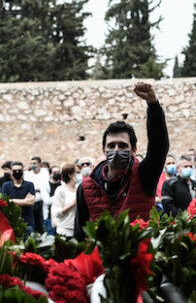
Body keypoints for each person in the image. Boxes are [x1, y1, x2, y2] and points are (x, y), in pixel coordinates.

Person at [73, 82, 170, 240]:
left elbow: (159, 147)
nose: (116, 150)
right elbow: (80, 233)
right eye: (111, 145)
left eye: (123, 145)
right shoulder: (86, 187)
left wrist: (153, 105)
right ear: (103, 150)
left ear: (134, 150)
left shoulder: (145, 176)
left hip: (139, 258)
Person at [1, 162, 36, 235]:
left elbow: (31, 202)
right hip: (11, 223)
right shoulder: (6, 185)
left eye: (19, 170)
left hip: (27, 222)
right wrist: (24, 201)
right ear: (11, 172)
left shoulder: (29, 185)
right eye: (15, 171)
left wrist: (12, 200)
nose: (17, 172)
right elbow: (4, 202)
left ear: (23, 171)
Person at [51, 164, 78, 238]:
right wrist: (72, 204)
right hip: (65, 231)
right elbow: (56, 213)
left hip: (78, 230)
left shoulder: (79, 189)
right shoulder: (60, 190)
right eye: (77, 173)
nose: (78, 175)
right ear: (70, 175)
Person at [24, 156, 50, 234]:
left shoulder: (45, 172)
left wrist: (36, 189)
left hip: (41, 202)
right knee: (32, 225)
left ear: (40, 164)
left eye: (34, 163)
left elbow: (45, 187)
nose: (33, 165)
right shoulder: (28, 174)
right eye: (31, 163)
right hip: (31, 202)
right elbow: (27, 187)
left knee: (41, 225)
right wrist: (36, 189)